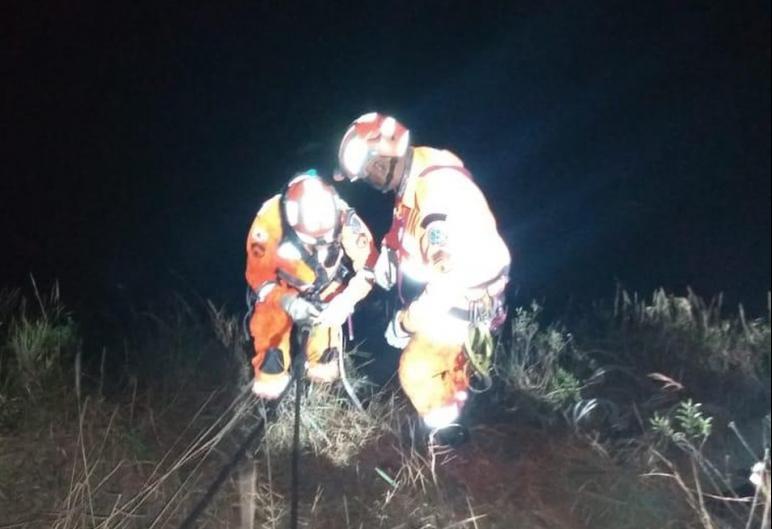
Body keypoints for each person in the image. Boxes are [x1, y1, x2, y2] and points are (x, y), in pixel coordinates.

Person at [335, 112, 510, 435]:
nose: (373, 176)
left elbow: (447, 278)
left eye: (374, 163)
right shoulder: (412, 186)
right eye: (366, 174)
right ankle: (454, 421)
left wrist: (406, 322)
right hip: (457, 296)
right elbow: (394, 251)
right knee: (421, 362)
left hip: (461, 300)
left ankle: (448, 441)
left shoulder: (435, 191)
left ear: (393, 147)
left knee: (417, 370)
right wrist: (357, 280)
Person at [245, 170, 377, 398]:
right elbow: (259, 276)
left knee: (326, 333)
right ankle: (270, 390)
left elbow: (371, 265)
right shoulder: (269, 220)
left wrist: (346, 301)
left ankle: (322, 385)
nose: (317, 246)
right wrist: (287, 302)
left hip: (326, 285)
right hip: (282, 287)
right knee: (270, 323)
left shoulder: (344, 214)